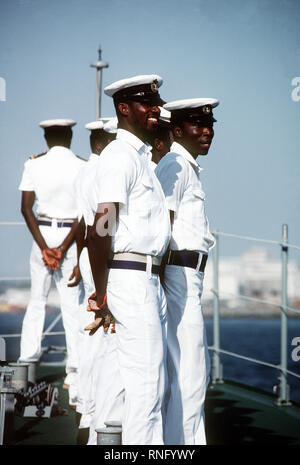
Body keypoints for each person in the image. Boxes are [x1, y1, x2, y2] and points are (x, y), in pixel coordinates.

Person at [86, 75, 171, 445]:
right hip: (132, 279)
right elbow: (100, 228)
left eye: (157, 102)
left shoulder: (141, 160)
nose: (156, 109)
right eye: (147, 103)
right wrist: (101, 294)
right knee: (147, 387)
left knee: (141, 381)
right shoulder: (120, 157)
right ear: (124, 109)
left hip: (148, 281)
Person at [155, 98, 219, 445]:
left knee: (190, 371)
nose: (207, 131)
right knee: (190, 373)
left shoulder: (186, 166)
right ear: (178, 130)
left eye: (210, 126)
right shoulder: (175, 165)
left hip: (188, 276)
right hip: (177, 274)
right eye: (199, 125)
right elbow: (161, 226)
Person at [18, 119, 85, 406]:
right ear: (70, 136)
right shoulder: (83, 165)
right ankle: (74, 372)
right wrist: (62, 248)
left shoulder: (33, 164)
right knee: (73, 306)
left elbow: (25, 208)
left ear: (46, 137)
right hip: (71, 235)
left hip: (42, 233)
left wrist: (46, 248)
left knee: (37, 301)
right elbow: (85, 214)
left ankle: (26, 366)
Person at [72, 118, 117, 435]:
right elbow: (102, 228)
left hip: (91, 255)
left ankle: (87, 407)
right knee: (105, 337)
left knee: (93, 337)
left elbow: (83, 225)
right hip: (105, 258)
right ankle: (98, 414)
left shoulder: (86, 172)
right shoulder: (105, 172)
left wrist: (79, 260)